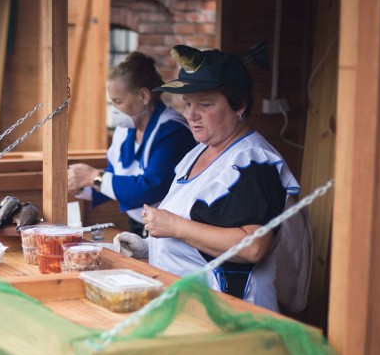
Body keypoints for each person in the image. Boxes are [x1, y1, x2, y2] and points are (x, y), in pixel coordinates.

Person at [115, 44, 309, 313]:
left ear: (238, 104)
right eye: (188, 104)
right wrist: (148, 247)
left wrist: (174, 226)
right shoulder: (198, 153)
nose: (191, 115)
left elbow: (253, 247)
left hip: (231, 315)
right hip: (188, 305)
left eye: (204, 105)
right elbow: (200, 237)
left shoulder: (253, 164)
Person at [68, 52, 196, 236]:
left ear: (144, 96)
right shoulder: (126, 127)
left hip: (171, 232)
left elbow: (150, 188)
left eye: (118, 102)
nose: (115, 110)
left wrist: (94, 177)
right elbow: (115, 177)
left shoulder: (173, 131)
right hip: (138, 224)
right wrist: (81, 185)